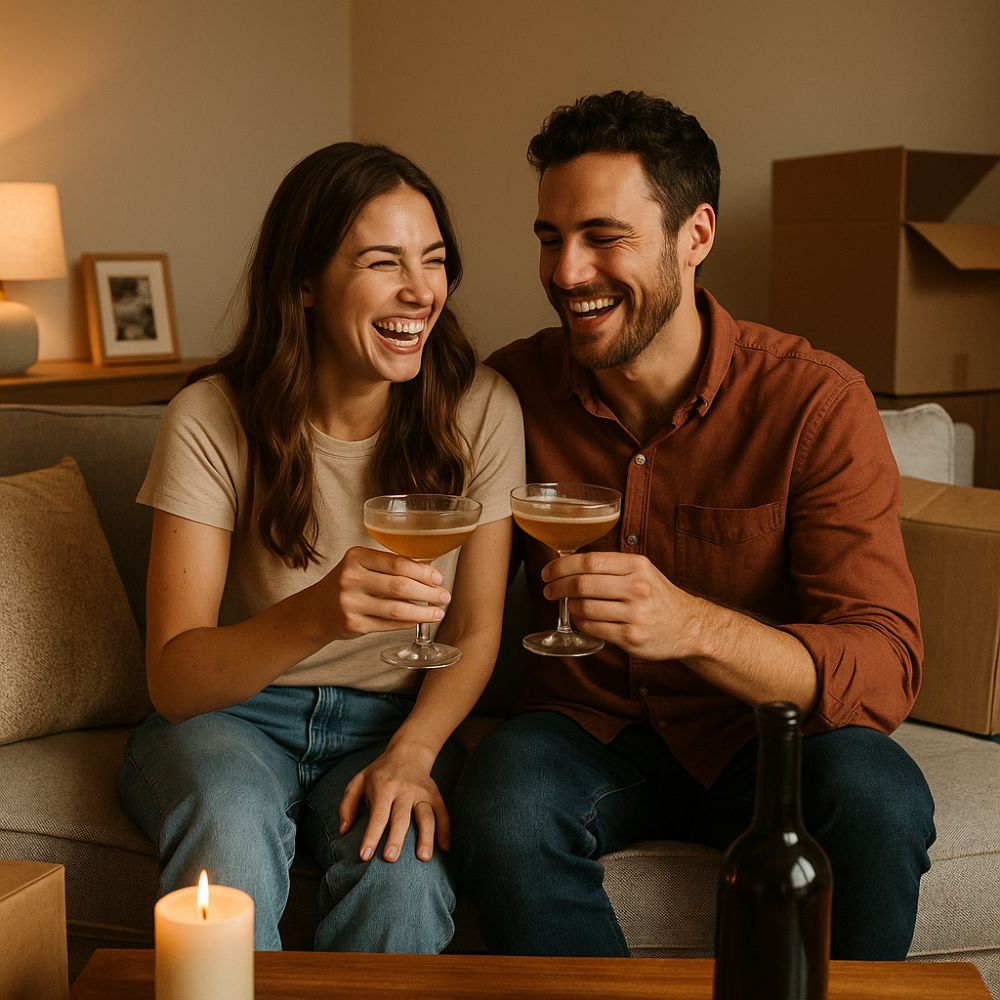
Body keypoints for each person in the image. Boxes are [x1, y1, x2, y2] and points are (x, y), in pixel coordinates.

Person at [453, 91, 935, 960]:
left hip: (759, 737)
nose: (566, 273)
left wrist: (691, 626)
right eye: (550, 238)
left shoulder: (814, 402)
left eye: (604, 237)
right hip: (583, 729)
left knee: (880, 798)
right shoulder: (510, 391)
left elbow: (885, 664)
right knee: (503, 799)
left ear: (696, 235)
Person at [118, 141, 524, 952]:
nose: (421, 291)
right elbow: (173, 678)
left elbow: (474, 630)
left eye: (435, 261)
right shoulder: (212, 417)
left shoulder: (480, 408)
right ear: (304, 282)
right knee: (227, 834)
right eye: (384, 262)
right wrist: (315, 616)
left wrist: (413, 753)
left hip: (393, 720)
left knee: (403, 873)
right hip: (228, 720)